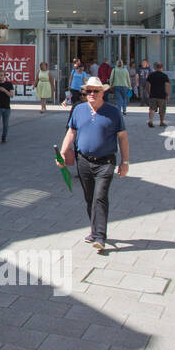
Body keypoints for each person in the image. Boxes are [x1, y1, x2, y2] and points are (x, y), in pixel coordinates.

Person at [58, 77, 129, 252]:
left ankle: (99, 236)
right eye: (88, 91)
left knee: (100, 197)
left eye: (95, 91)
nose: (91, 94)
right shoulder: (78, 110)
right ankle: (94, 229)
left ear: (102, 93)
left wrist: (125, 162)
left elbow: (123, 138)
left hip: (106, 162)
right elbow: (71, 132)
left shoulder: (113, 112)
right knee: (89, 198)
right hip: (83, 161)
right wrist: (62, 152)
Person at [146, 62, 170, 128]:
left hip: (153, 94)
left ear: (155, 67)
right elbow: (167, 85)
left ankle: (151, 120)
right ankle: (161, 122)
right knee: (162, 109)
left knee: (152, 108)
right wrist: (168, 94)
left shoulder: (151, 75)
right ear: (162, 68)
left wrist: (148, 93)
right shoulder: (164, 75)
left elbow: (148, 85)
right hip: (162, 95)